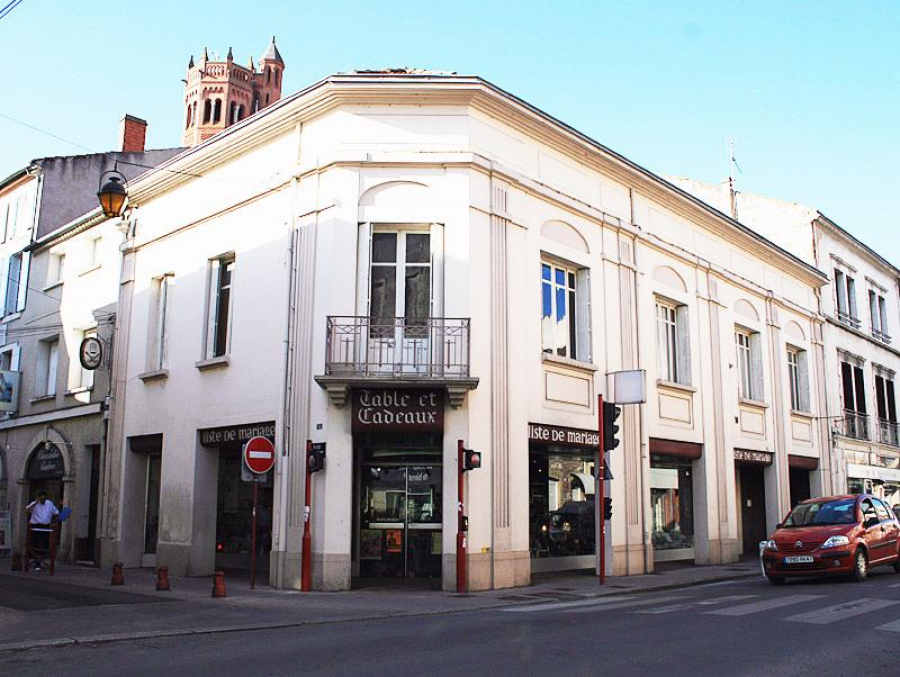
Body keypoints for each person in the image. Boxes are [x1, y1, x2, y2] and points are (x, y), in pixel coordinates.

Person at [25, 491, 59, 570]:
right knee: (35, 544)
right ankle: (37, 563)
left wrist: (55, 523)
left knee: (45, 545)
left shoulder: (49, 503)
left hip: (46, 527)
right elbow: (27, 511)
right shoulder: (34, 504)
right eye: (41, 497)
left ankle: (41, 561)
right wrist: (35, 503)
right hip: (35, 526)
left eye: (44, 497)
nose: (42, 499)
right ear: (38, 497)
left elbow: (56, 513)